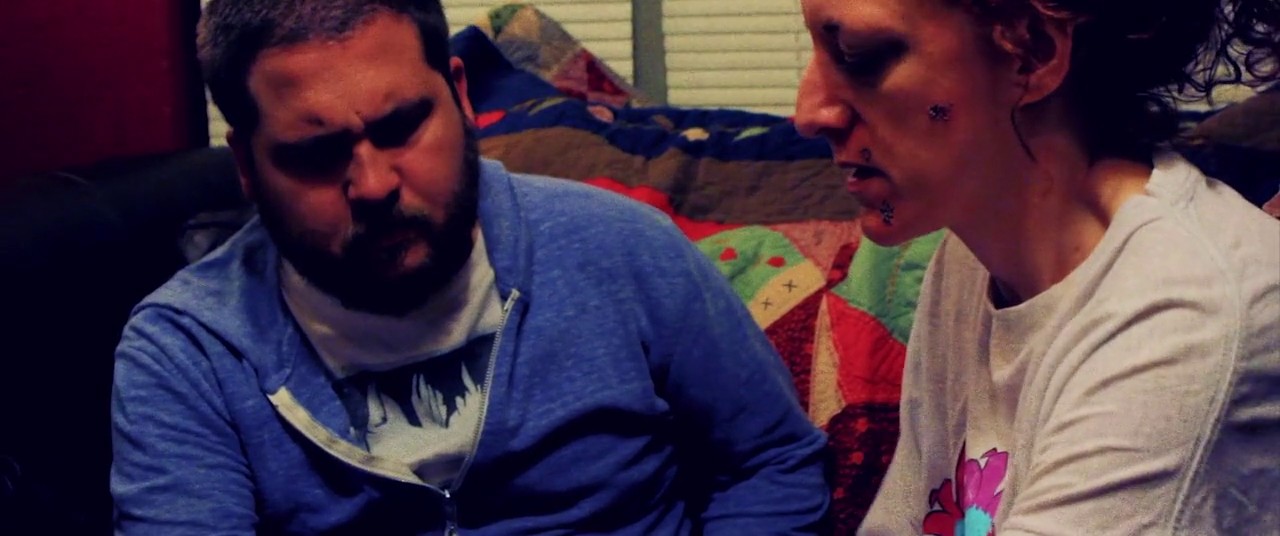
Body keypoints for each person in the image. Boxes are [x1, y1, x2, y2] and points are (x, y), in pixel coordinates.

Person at [109, 0, 831, 533]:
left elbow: (773, 462)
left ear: (459, 95)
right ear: (245, 164)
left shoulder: (625, 250)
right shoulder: (188, 350)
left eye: (402, 126)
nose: (374, 185)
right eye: (316, 153)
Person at [793, 0, 1279, 534]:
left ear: (1031, 52)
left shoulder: (1186, 316)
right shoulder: (974, 251)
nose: (810, 113)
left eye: (858, 55)